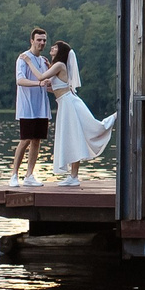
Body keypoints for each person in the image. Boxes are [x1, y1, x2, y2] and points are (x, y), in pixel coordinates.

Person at [47, 41, 116, 184]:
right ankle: (73, 176)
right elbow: (55, 87)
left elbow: (41, 77)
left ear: (60, 51)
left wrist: (28, 62)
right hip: (65, 103)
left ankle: (73, 176)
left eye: (55, 47)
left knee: (74, 137)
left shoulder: (59, 65)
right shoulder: (56, 66)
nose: (51, 48)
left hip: (68, 104)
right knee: (72, 137)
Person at [11, 27, 53, 184]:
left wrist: (49, 85)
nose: (41, 43)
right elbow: (20, 80)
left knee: (37, 140)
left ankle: (29, 175)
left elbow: (47, 85)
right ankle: (14, 174)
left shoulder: (43, 61)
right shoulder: (23, 58)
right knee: (25, 139)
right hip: (27, 107)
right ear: (32, 41)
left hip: (41, 107)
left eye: (44, 40)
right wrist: (39, 83)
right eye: (39, 40)